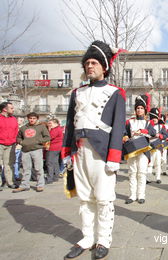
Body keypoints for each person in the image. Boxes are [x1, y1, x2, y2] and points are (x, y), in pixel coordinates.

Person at [61, 40, 126, 260]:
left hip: (102, 152)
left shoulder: (116, 92)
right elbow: (70, 124)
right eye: (87, 63)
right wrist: (67, 151)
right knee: (85, 198)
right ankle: (87, 237)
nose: (90, 66)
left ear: (104, 66)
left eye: (94, 63)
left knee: (104, 198)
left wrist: (115, 156)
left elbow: (118, 126)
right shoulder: (76, 92)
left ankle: (103, 239)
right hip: (79, 151)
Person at [124, 93, 156, 204]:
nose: (139, 110)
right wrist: (125, 136)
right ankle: (132, 195)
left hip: (143, 150)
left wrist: (143, 131)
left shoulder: (148, 123)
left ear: (145, 110)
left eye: (141, 108)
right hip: (132, 150)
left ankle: (141, 195)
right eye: (137, 108)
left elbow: (153, 132)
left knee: (142, 173)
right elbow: (124, 132)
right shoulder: (129, 122)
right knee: (132, 173)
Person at [13, 112, 50, 193]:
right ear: (28, 119)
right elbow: (18, 137)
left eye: (34, 118)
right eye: (30, 118)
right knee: (26, 169)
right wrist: (21, 142)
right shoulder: (23, 128)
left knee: (38, 168)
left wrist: (38, 141)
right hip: (25, 150)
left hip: (37, 149)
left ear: (37, 119)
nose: (32, 120)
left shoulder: (41, 127)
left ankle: (40, 185)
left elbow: (47, 137)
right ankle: (24, 185)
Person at [147, 107, 168, 184]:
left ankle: (158, 178)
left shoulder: (161, 127)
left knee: (158, 164)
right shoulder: (147, 125)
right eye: (152, 117)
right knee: (149, 164)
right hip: (149, 148)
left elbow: (167, 136)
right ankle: (148, 178)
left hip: (158, 148)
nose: (154, 119)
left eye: (155, 117)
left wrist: (161, 136)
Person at [0, 102, 19, 190]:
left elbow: (16, 130)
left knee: (9, 164)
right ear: (4, 109)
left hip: (11, 144)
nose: (13, 109)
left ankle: (10, 182)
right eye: (11, 108)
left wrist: (15, 140)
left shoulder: (13, 119)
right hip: (0, 143)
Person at [45, 118, 63, 184]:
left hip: (53, 148)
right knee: (55, 162)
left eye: (50, 123)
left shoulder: (55, 130)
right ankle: (56, 177)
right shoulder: (58, 129)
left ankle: (50, 178)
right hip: (57, 147)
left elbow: (49, 137)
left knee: (50, 163)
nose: (49, 125)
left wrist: (49, 130)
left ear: (55, 123)